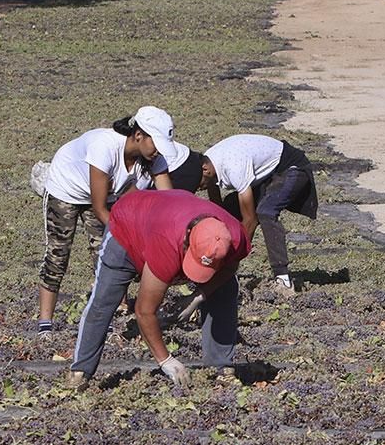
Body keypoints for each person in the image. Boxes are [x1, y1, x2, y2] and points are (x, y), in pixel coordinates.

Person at [66, 189, 250, 390]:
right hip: (128, 224)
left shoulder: (235, 236)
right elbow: (144, 311)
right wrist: (166, 360)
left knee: (225, 288)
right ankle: (80, 371)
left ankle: (222, 368)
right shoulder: (166, 242)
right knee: (105, 298)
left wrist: (198, 296)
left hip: (165, 216)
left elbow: (230, 268)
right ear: (187, 240)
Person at [36, 106, 178, 337]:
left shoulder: (153, 158)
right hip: (67, 188)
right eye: (157, 144)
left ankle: (103, 321)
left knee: (104, 256)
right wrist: (131, 240)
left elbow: (170, 202)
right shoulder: (105, 147)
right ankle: (45, 324)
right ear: (139, 135)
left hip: (104, 194)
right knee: (58, 254)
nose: (159, 151)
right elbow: (100, 207)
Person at [200, 134, 317, 296]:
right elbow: (217, 211)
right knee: (229, 208)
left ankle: (283, 279)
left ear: (205, 170)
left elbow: (250, 220)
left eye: (198, 183)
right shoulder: (209, 163)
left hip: (291, 167)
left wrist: (233, 260)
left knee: (266, 211)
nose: (198, 188)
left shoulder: (233, 167)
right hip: (268, 175)